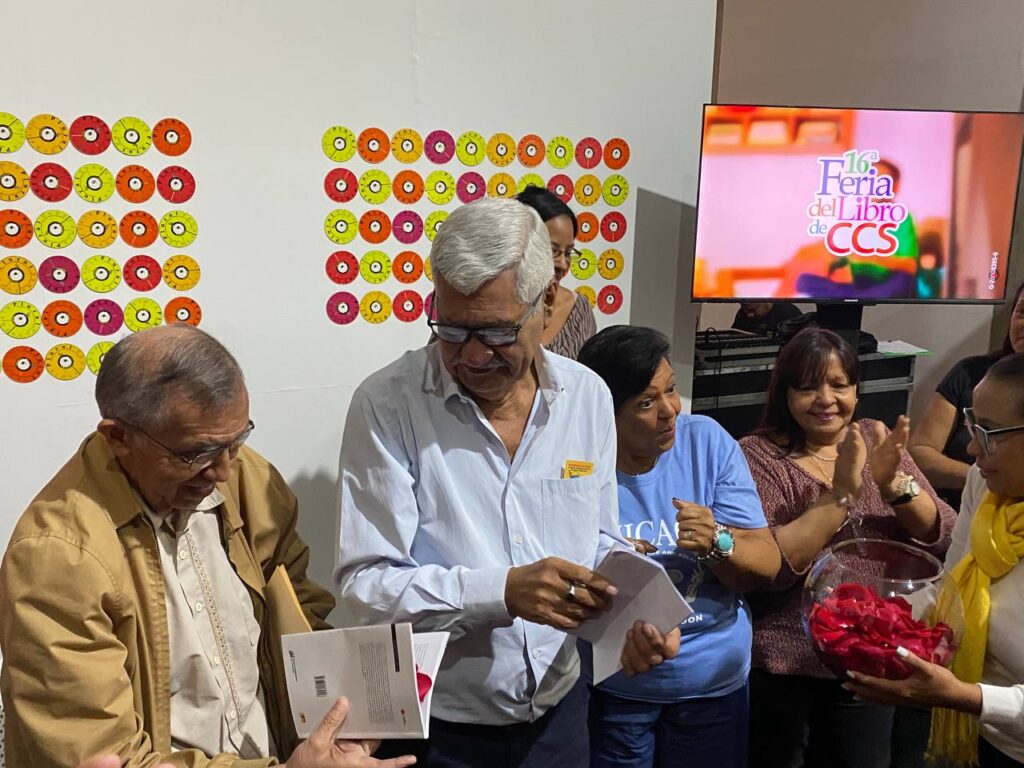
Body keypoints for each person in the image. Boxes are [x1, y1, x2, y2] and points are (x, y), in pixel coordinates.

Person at [335, 197, 679, 768]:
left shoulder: (587, 396)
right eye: (452, 329)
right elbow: (366, 587)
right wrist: (500, 592)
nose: (472, 356)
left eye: (496, 332)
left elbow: (597, 540)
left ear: (547, 302)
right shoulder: (387, 405)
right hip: (439, 729)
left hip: (562, 711)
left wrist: (636, 614)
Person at [0, 325, 414, 768]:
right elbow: (105, 756)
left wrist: (335, 726)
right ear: (119, 438)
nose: (221, 471)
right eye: (194, 454)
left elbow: (301, 619)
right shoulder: (57, 559)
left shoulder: (248, 481)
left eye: (235, 441)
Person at [738, 326, 956, 768]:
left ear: (856, 390)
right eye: (808, 387)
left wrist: (893, 485)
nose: (826, 399)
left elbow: (944, 534)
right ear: (785, 394)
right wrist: (840, 494)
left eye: (839, 385)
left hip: (874, 657)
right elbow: (772, 567)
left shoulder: (874, 436)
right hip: (788, 662)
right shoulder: (757, 456)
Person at [577, 326, 781, 768]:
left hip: (710, 684)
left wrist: (715, 542)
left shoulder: (704, 440)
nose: (670, 410)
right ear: (604, 413)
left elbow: (766, 563)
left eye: (671, 390)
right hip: (616, 688)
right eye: (646, 403)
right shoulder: (578, 464)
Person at [846, 352, 1024, 767]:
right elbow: (951, 589)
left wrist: (962, 695)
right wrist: (870, 621)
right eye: (973, 425)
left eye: (989, 432)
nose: (971, 448)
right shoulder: (986, 484)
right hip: (977, 734)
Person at [909, 280, 1024, 509]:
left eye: (990, 432)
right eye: (1022, 312)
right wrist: (980, 479)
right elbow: (920, 453)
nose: (974, 447)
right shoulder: (969, 373)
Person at [516, 185, 597, 359]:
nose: (563, 264)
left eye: (568, 253)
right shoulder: (494, 306)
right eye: (552, 250)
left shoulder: (578, 310)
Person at [731, 302, 802, 336]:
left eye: (753, 310)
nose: (749, 315)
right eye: (745, 309)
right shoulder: (742, 313)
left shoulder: (788, 313)